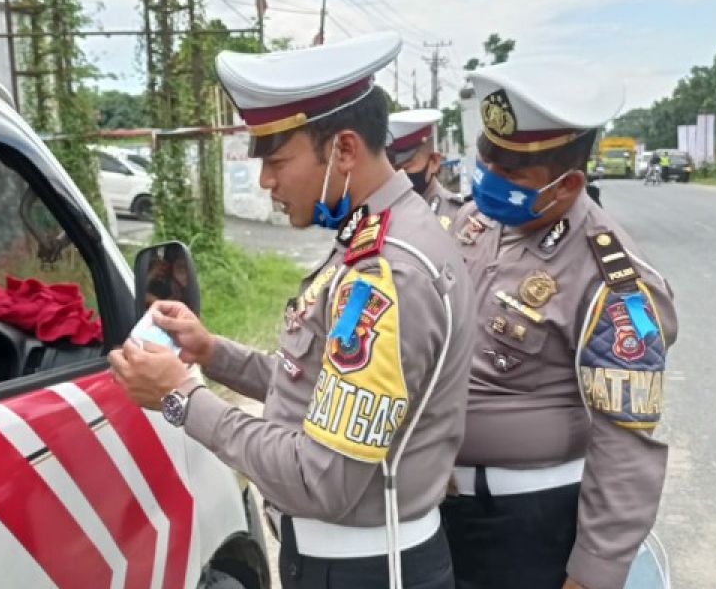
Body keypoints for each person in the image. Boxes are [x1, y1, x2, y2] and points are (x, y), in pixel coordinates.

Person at [108, 31, 476, 589]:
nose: (266, 181)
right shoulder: (377, 235)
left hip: (367, 571)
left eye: (278, 160)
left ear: (345, 150)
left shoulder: (384, 274)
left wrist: (182, 398)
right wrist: (212, 353)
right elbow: (319, 385)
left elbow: (320, 478)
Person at [441, 60, 678, 589]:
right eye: (486, 157)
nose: (489, 177)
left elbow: (626, 445)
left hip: (530, 527)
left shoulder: (613, 281)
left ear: (568, 182)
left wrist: (593, 574)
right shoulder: (476, 222)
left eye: (511, 170)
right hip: (439, 510)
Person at [387, 108, 463, 230]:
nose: (398, 176)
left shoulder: (458, 216)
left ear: (434, 162)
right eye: (393, 170)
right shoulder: (383, 216)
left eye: (405, 168)